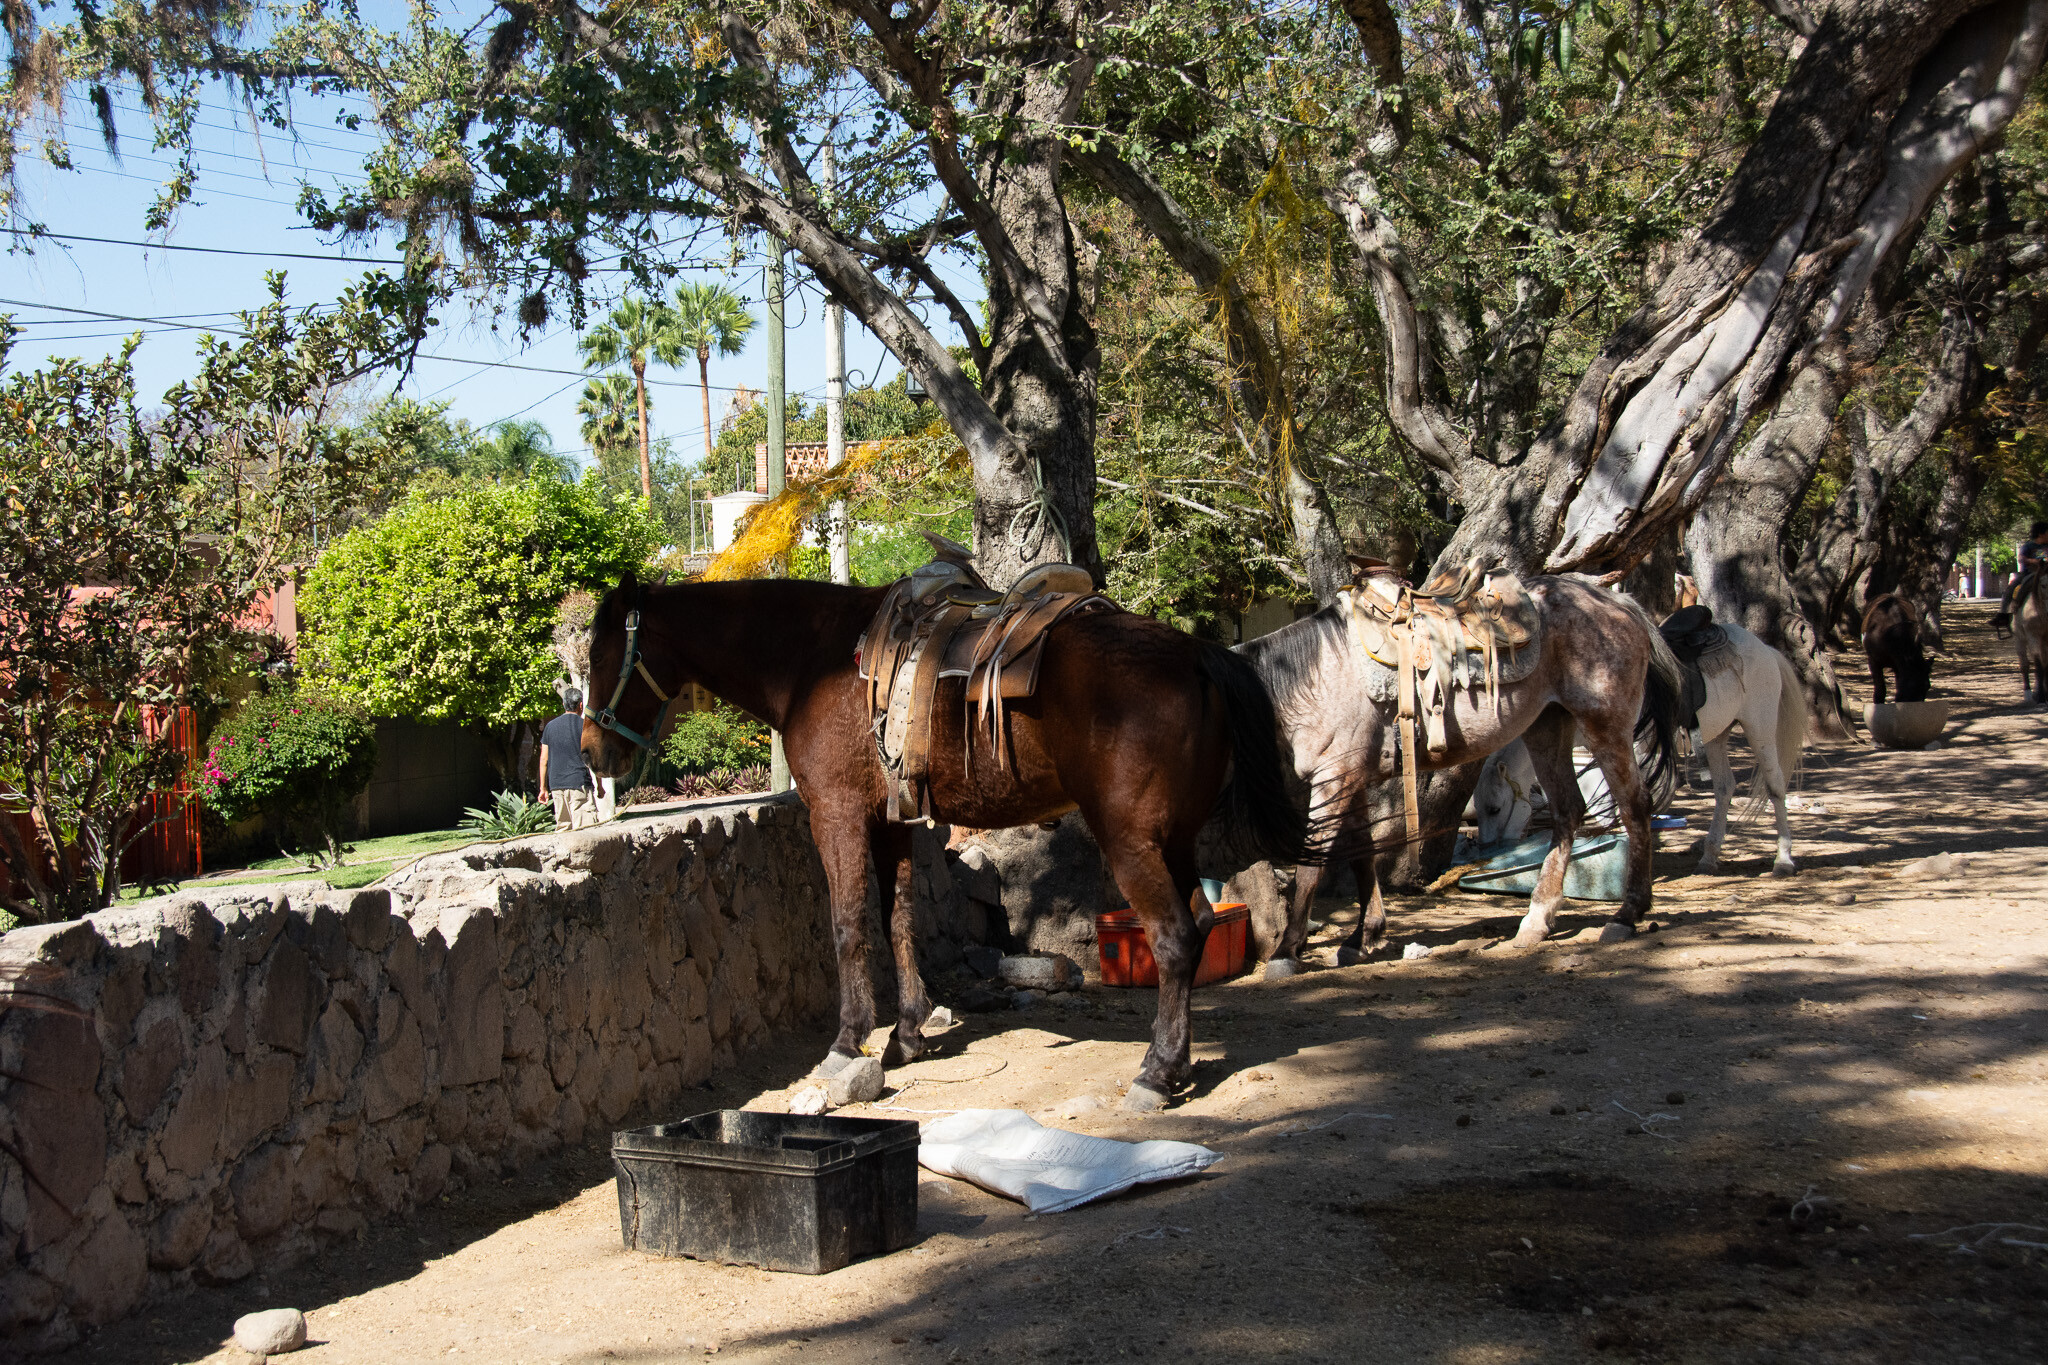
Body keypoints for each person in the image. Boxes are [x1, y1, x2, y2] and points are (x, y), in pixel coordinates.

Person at [538, 690, 598, 831]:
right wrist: (599, 786)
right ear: (581, 705)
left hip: (556, 786)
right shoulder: (586, 727)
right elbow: (594, 758)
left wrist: (543, 788)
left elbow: (543, 759)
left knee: (563, 831)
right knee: (586, 831)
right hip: (579, 784)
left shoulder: (549, 727)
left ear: (563, 704)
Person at [1992, 521, 2048, 637]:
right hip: (2030, 574)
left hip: (2046, 574)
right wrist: (2033, 561)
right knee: (2012, 588)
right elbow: (2021, 558)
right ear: (2041, 534)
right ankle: (2004, 614)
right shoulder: (2028, 546)